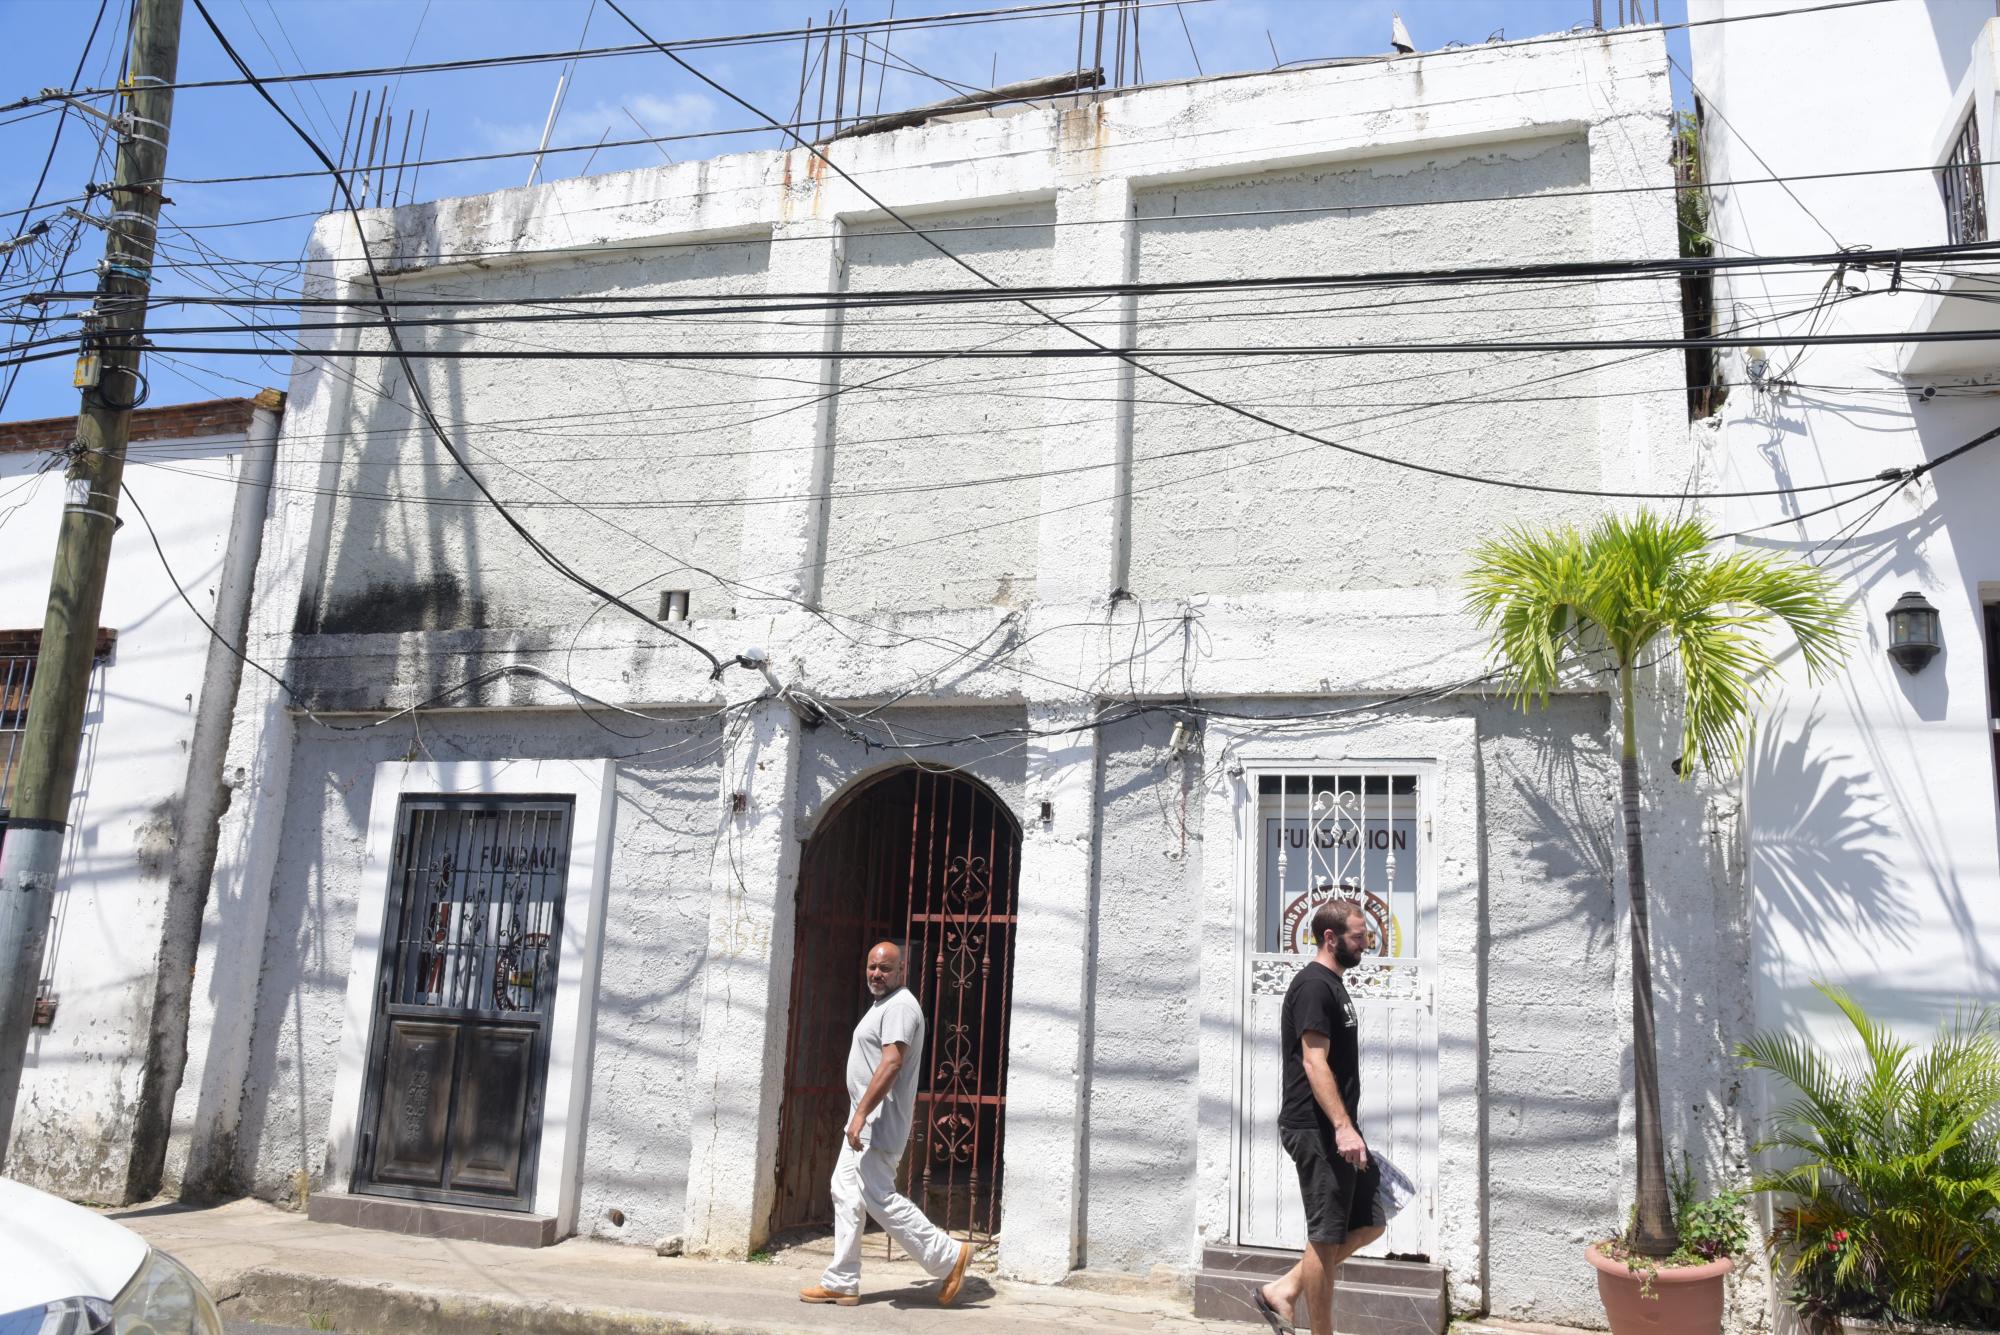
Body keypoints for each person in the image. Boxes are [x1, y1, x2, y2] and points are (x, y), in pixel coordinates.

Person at [799, 940, 975, 1307]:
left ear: (901, 971)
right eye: (872, 967)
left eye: (885, 968)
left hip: (877, 1121)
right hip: (865, 1118)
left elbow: (892, 1063)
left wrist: (861, 1113)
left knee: (877, 1196)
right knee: (845, 1190)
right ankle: (842, 1280)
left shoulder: (900, 1007)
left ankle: (947, 1255)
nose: (876, 974)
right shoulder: (884, 1005)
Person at [1255, 900, 1385, 1335]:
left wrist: (1348, 1126)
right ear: (1331, 938)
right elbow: (1314, 1062)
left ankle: (1284, 1290)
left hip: (1335, 1127)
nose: (1365, 942)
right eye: (1357, 935)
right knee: (1326, 1236)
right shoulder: (1313, 985)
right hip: (1317, 1129)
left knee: (1370, 1221)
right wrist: (1343, 1128)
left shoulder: (1333, 983)